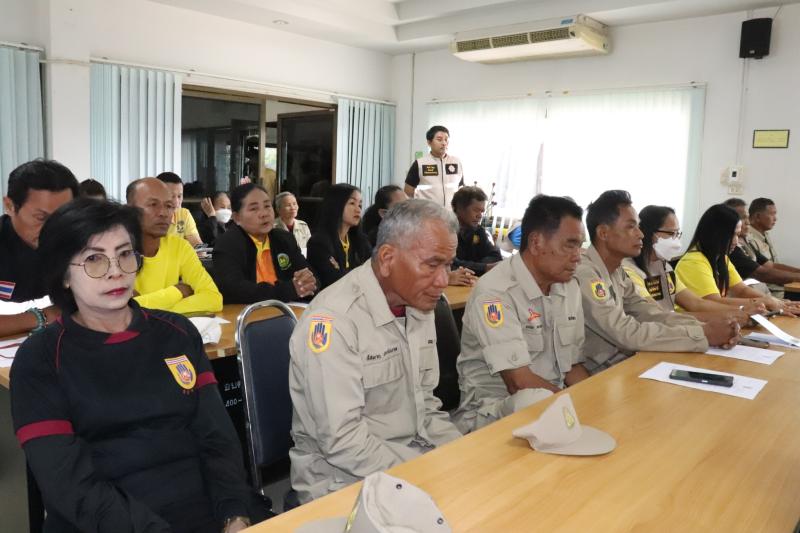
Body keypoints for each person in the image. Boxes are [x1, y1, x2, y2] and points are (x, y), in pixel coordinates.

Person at [10, 199, 255, 533]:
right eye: (94, 258)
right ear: (63, 274)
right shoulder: (39, 359)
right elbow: (69, 486)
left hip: (206, 512)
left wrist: (235, 515)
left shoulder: (177, 333)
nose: (116, 271)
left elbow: (218, 438)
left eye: (125, 254)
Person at [289, 199, 463, 503]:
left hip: (408, 458)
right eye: (432, 264)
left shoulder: (417, 302)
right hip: (343, 482)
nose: (443, 280)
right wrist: (426, 473)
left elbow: (425, 403)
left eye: (448, 265)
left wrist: (463, 455)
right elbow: (343, 442)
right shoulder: (334, 321)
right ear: (387, 258)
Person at [452, 195, 589, 433]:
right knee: (533, 400)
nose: (578, 256)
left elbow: (572, 366)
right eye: (570, 245)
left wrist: (592, 403)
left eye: (580, 245)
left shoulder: (567, 286)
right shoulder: (495, 293)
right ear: (536, 243)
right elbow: (519, 382)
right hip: (496, 412)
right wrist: (576, 410)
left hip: (553, 401)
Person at [575, 190, 740, 375]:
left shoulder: (617, 271)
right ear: (603, 233)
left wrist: (703, 328)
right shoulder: (587, 274)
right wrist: (702, 334)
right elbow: (625, 332)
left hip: (627, 363)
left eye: (639, 227)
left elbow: (650, 313)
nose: (641, 234)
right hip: (600, 373)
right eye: (631, 227)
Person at [624, 205, 760, 323]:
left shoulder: (665, 267)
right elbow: (658, 316)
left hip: (671, 332)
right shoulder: (629, 270)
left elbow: (696, 303)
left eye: (678, 234)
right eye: (671, 233)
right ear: (647, 233)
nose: (676, 242)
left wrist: (740, 311)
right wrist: (731, 314)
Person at [0, 159, 78, 336]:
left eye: (63, 216)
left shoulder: (82, 241)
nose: (54, 228)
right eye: (41, 218)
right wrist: (41, 316)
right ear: (10, 206)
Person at [675, 204, 795, 313]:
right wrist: (763, 302)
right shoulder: (693, 262)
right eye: (733, 235)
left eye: (738, 235)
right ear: (717, 234)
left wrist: (777, 302)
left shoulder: (721, 258)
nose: (736, 241)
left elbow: (741, 290)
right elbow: (713, 302)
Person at [127, 178, 223, 314]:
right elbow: (123, 310)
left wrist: (151, 308)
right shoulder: (115, 251)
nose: (163, 213)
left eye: (169, 206)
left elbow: (213, 299)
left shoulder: (180, 247)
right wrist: (178, 291)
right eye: (153, 204)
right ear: (129, 210)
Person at [212, 183, 317, 304]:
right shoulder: (227, 244)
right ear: (236, 218)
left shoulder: (284, 239)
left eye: (267, 206)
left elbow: (312, 278)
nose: (264, 214)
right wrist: (288, 290)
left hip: (290, 310)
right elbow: (234, 290)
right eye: (254, 208)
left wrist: (307, 282)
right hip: (247, 312)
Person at [722, 198, 800, 293]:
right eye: (743, 218)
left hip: (762, 295)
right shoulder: (731, 248)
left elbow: (770, 265)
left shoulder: (744, 241)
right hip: (760, 295)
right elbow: (762, 274)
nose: (748, 222)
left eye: (747, 217)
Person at [306, 183, 372, 289]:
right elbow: (334, 281)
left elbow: (372, 274)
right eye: (352, 203)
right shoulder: (319, 243)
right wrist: (358, 274)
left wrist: (341, 270)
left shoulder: (361, 241)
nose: (358, 210)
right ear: (336, 205)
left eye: (360, 205)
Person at [404, 125, 464, 207]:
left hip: (451, 212)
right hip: (427, 212)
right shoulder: (420, 163)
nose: (444, 143)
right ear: (429, 142)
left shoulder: (456, 162)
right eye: (439, 139)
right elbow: (408, 192)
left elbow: (461, 188)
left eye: (446, 140)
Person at [451, 186, 502, 276]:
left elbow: (496, 256)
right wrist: (484, 267)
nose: (480, 216)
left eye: (482, 211)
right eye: (476, 210)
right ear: (460, 209)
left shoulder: (478, 230)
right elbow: (450, 263)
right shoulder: (446, 231)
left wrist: (478, 266)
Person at [156, 171, 202, 246]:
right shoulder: (147, 216)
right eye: (171, 196)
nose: (176, 202)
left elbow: (198, 246)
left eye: (179, 196)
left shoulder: (183, 214)